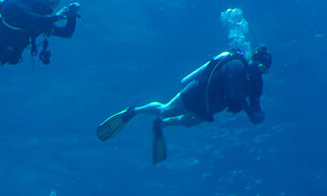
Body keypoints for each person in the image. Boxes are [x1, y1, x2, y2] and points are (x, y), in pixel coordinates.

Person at [96, 46, 271, 163]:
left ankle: (160, 125)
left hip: (210, 106)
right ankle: (134, 111)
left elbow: (255, 102)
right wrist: (251, 113)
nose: (259, 68)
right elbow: (235, 93)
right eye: (258, 63)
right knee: (166, 110)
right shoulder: (236, 66)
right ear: (252, 59)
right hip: (197, 93)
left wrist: (258, 114)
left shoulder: (257, 84)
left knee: (186, 123)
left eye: (263, 67)